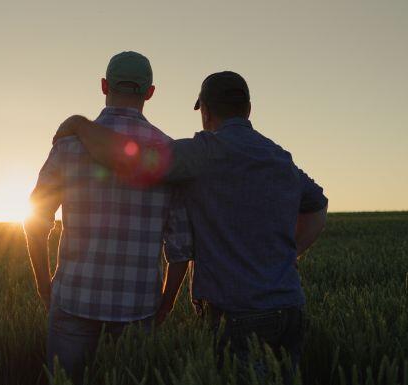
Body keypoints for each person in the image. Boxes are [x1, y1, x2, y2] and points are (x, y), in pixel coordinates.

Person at [53, 71, 328, 379]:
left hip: (238, 315)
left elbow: (129, 159)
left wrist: (78, 123)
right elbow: (318, 208)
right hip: (291, 309)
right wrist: (290, 253)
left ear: (206, 112)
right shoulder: (280, 158)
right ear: (248, 110)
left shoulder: (202, 153)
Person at [23, 51, 193, 384]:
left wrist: (45, 286)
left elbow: (35, 221)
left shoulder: (69, 146)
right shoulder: (168, 154)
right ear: (150, 92)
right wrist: (166, 303)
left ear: (104, 86)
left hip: (73, 296)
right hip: (139, 304)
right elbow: (181, 246)